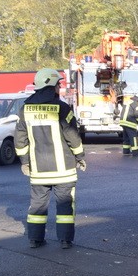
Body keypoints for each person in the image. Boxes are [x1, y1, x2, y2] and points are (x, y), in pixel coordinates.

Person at [14, 68, 86, 250]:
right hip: (64, 170)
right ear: (51, 85)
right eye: (58, 84)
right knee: (64, 207)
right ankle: (65, 240)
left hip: (38, 170)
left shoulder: (25, 109)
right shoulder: (62, 108)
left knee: (37, 206)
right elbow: (72, 136)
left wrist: (24, 162)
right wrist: (80, 156)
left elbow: (20, 138)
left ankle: (35, 239)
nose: (60, 87)